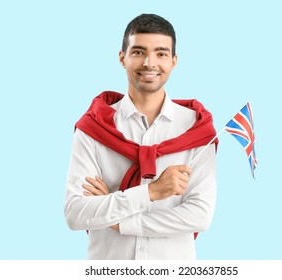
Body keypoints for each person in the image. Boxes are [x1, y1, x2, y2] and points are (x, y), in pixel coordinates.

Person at [64, 13, 217, 260]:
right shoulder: (94, 128)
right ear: (122, 58)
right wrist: (151, 193)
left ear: (174, 61)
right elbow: (75, 213)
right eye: (138, 52)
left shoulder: (196, 130)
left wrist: (119, 220)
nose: (149, 62)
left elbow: (199, 215)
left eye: (161, 53)